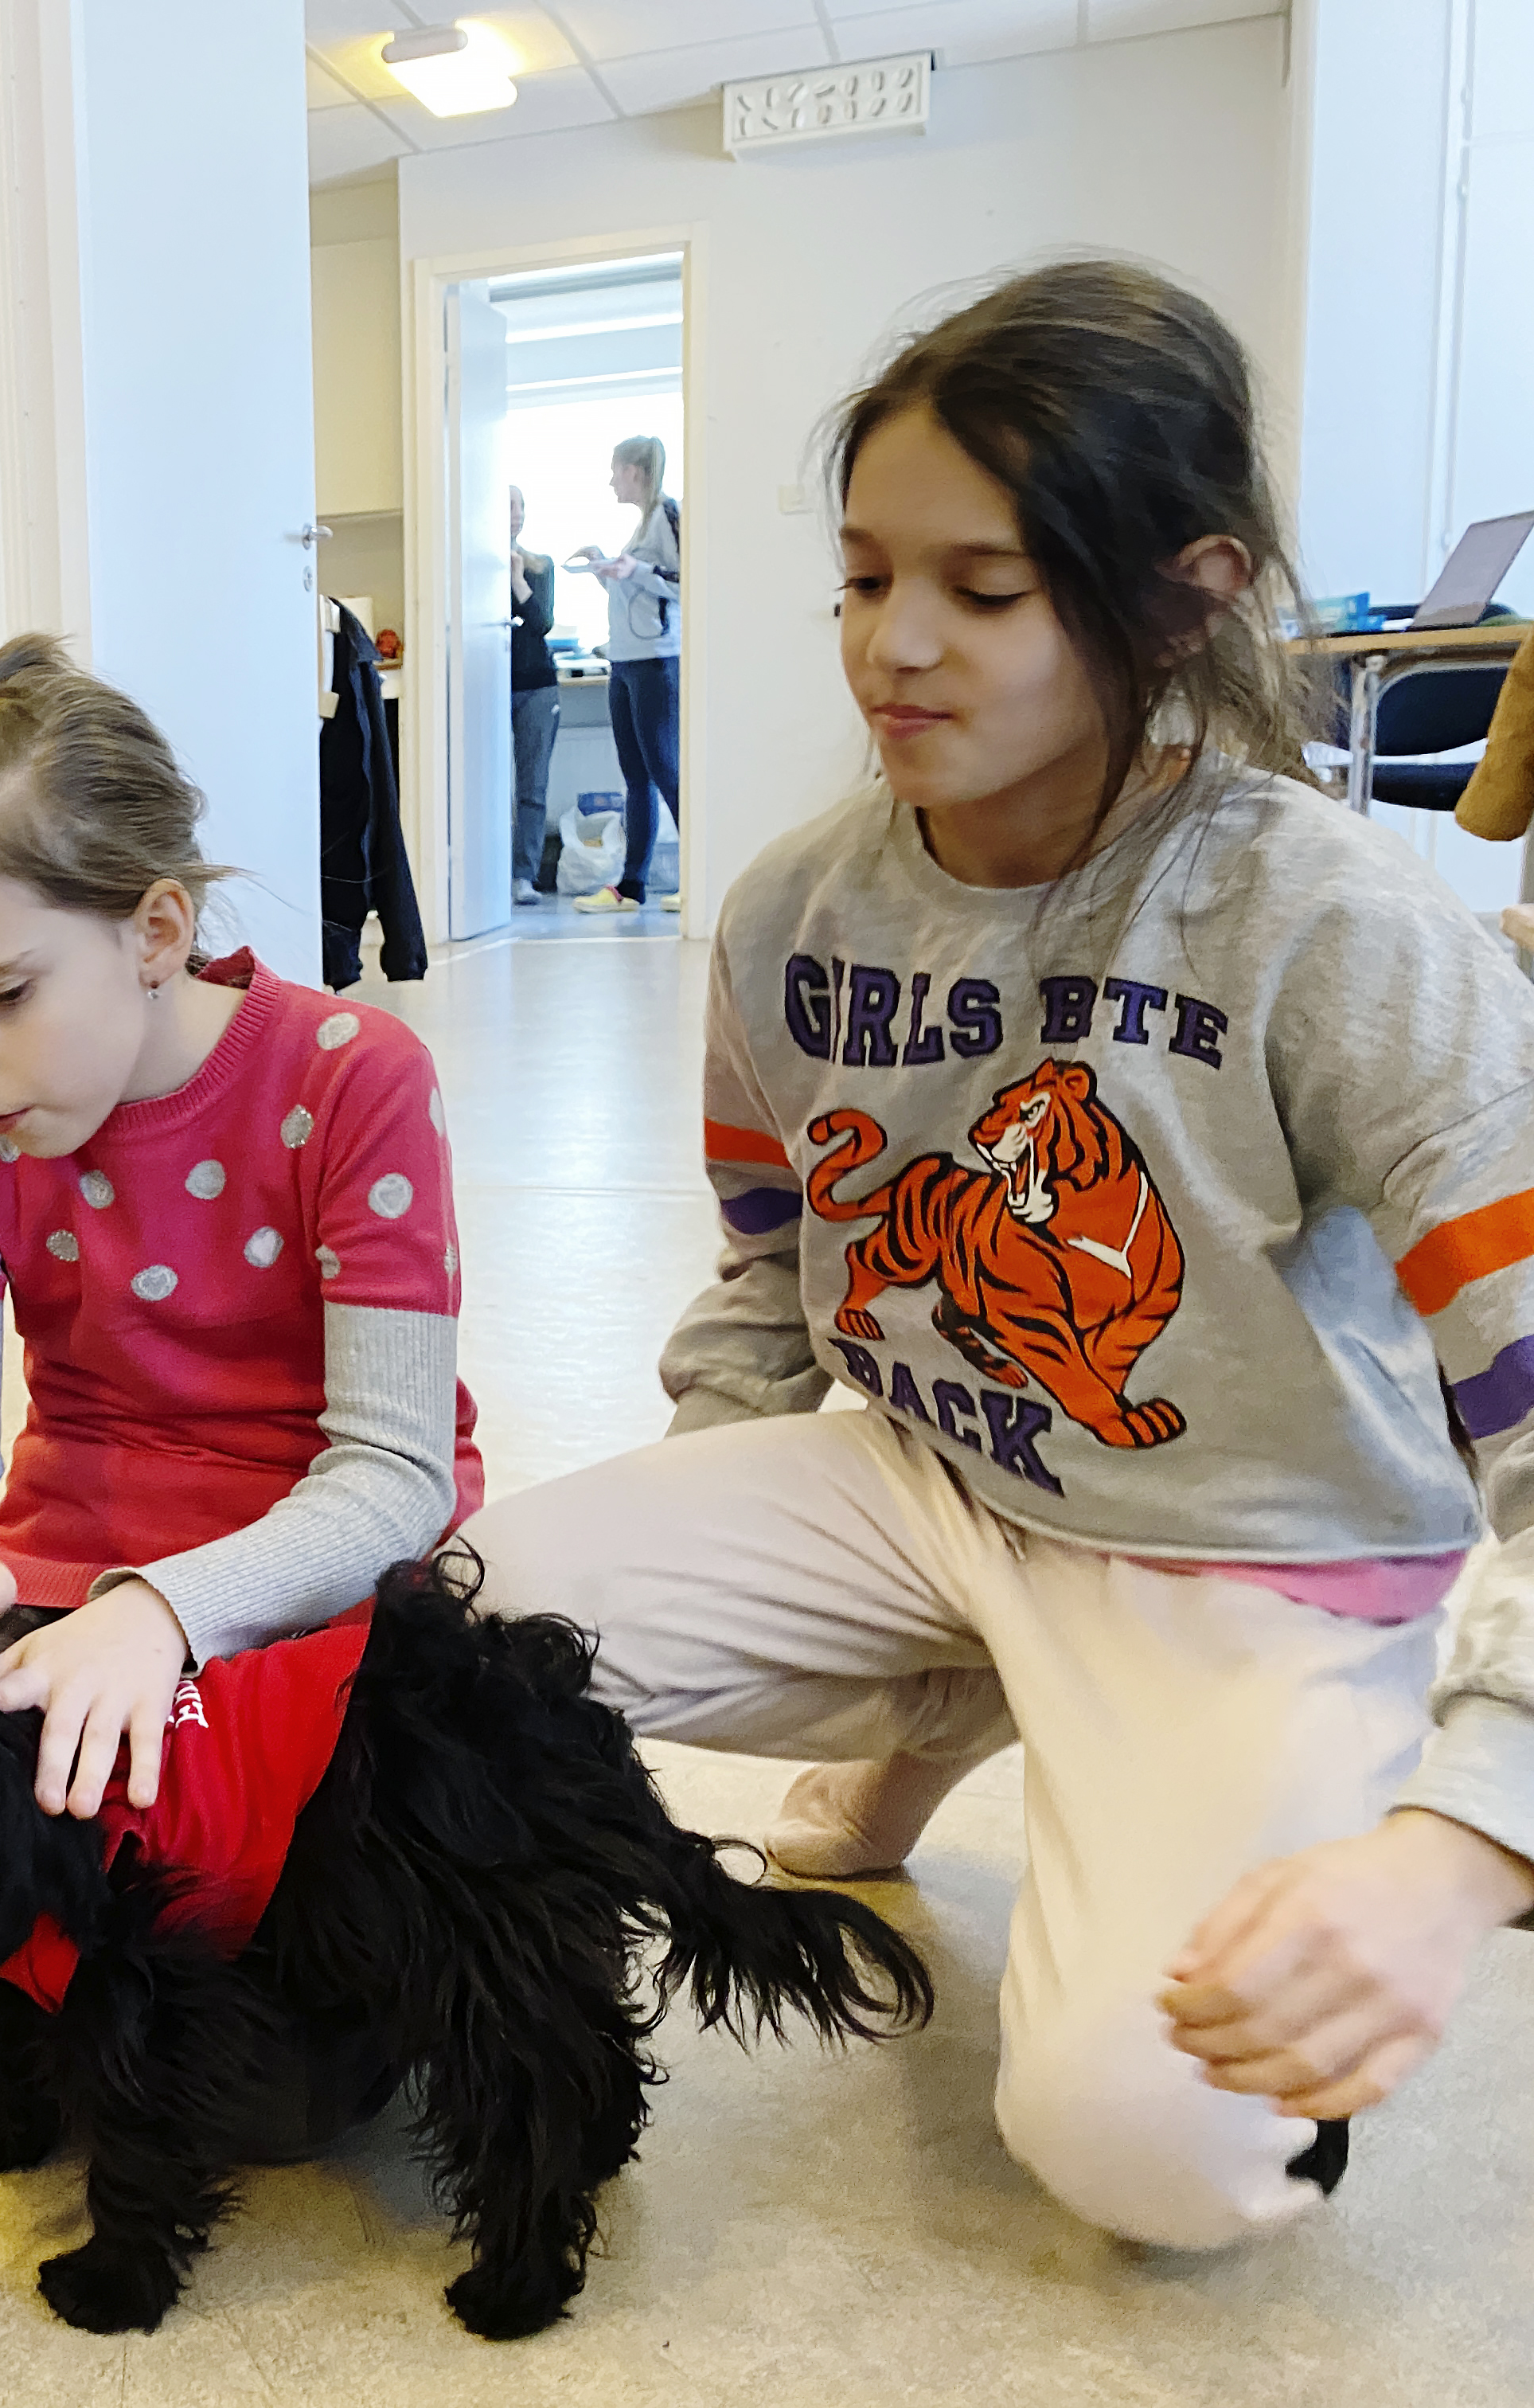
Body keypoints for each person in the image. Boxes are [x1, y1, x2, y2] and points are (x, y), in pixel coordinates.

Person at [461, 260, 1534, 2250]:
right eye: (865, 578)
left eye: (984, 588)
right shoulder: (792, 910)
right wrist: (723, 1483)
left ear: (1183, 594)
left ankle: (1135, 1737)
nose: (895, 647)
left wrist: (1461, 1845)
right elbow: (772, 1267)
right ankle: (953, 1693)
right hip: (946, 1486)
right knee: (463, 1632)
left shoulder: (1340, 934)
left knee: (1158, 2161)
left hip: (1255, 1558)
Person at [0, 634, 480, 2094]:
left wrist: (165, 1615)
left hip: (313, 1600)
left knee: (279, 2059)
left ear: (155, 929)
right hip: (61, 1585)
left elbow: (394, 1473)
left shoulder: (351, 1077)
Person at [567, 435, 682, 913]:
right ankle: (630, 888)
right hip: (626, 662)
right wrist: (606, 567)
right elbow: (637, 587)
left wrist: (634, 568)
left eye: (615, 469)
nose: (611, 479)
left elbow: (684, 578)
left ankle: (702, 878)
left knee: (665, 771)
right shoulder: (639, 527)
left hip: (657, 661)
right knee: (636, 777)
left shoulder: (668, 514)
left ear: (635, 470)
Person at [507, 485, 562, 903]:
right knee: (484, 785)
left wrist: (516, 578)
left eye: (521, 506)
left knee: (532, 787)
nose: (516, 514)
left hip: (538, 686)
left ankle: (523, 876)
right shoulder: (471, 569)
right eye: (508, 507)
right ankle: (488, 875)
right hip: (490, 685)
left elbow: (541, 623)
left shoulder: (540, 567)